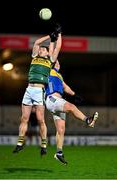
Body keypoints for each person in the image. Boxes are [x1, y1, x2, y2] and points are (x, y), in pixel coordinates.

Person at [13, 26, 62, 156]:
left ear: (47, 53)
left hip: (39, 91)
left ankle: (44, 144)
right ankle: (20, 142)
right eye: (40, 48)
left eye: (44, 49)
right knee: (24, 118)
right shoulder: (34, 56)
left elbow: (57, 48)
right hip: (29, 90)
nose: (41, 49)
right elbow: (36, 43)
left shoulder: (50, 60)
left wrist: (57, 36)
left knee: (40, 120)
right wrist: (49, 35)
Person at [45, 60, 99, 165]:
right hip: (52, 99)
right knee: (71, 106)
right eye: (55, 62)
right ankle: (88, 120)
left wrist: (74, 95)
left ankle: (59, 153)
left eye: (58, 62)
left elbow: (66, 87)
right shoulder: (48, 71)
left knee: (61, 129)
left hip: (57, 102)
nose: (57, 63)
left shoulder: (59, 76)